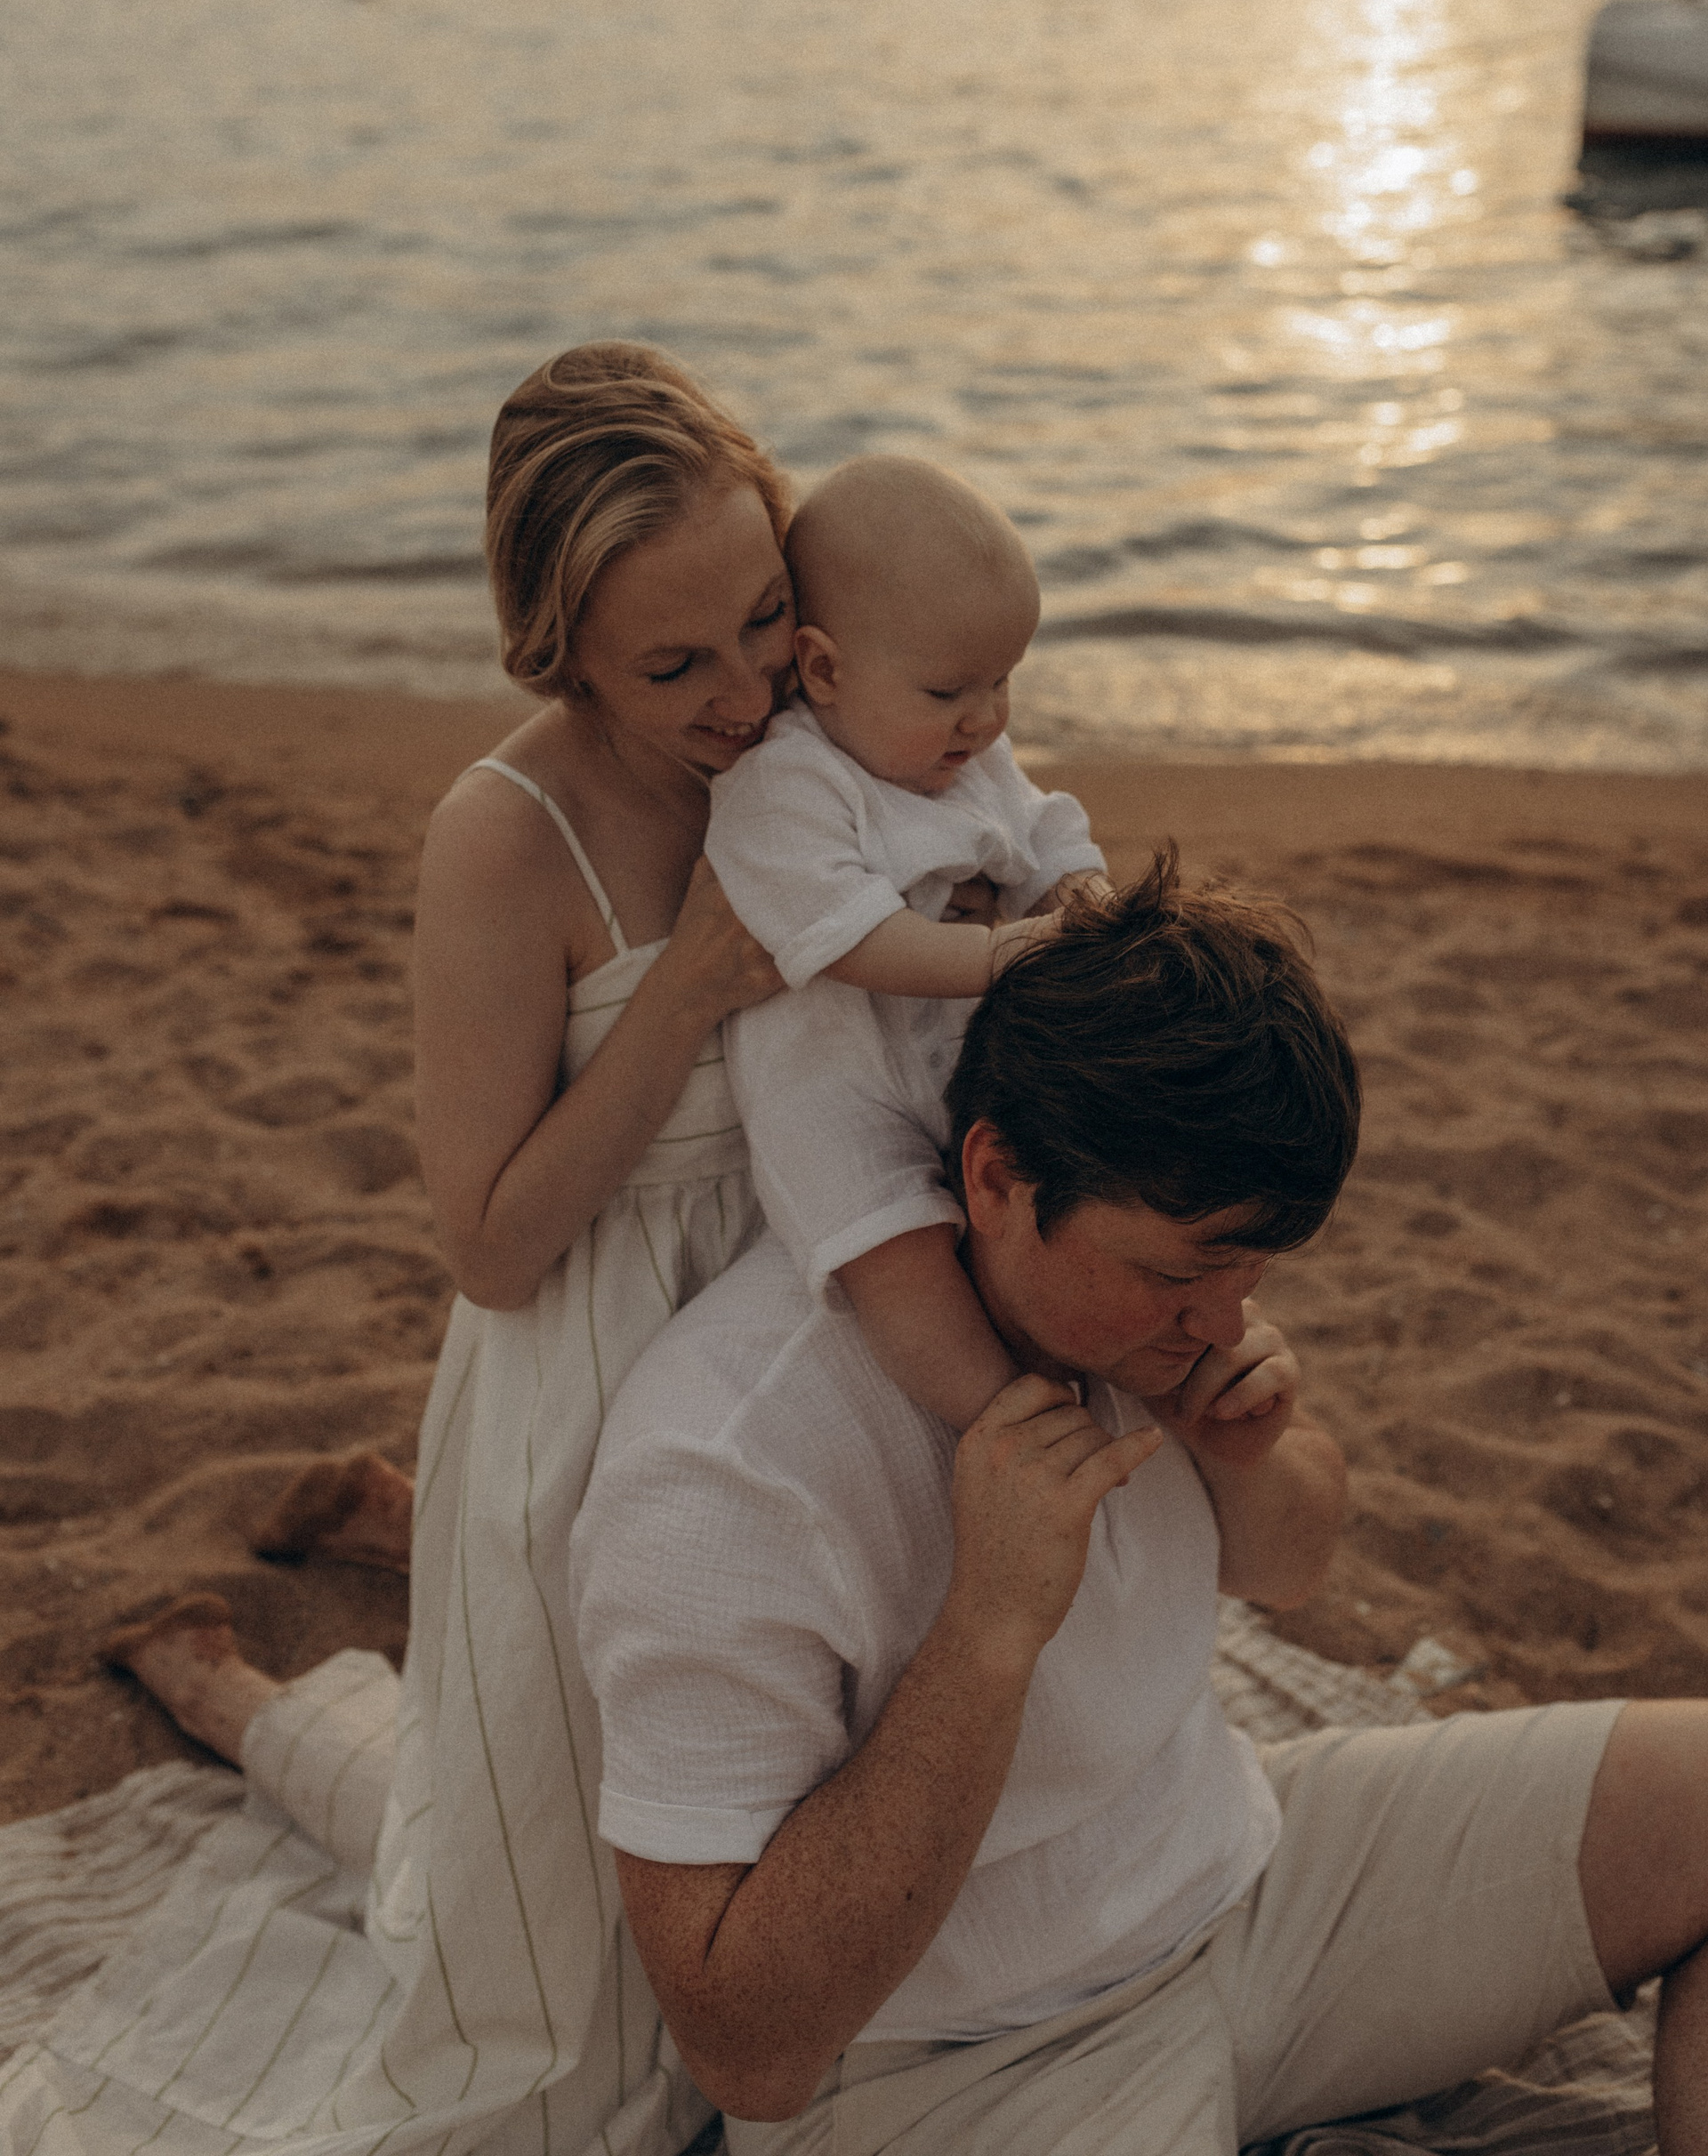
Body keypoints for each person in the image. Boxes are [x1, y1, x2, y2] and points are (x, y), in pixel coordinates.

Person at [571, 865, 1708, 2156]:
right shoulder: (723, 1466)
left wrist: (1250, 1454)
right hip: (963, 2058)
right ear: (995, 1177)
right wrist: (987, 1629)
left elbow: (1287, 1570)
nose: (1223, 1320)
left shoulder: (1154, 1299)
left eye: (1253, 1269)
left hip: (1256, 1884)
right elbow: (746, 2049)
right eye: (1179, 1275)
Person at [69, 341, 799, 2156]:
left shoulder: (814, 721)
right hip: (599, 1365)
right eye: (674, 667)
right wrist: (688, 991)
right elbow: (487, 1246)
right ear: (561, 658)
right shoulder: (504, 838)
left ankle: (390, 1534)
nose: (743, 696)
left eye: (766, 619)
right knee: (553, 1991)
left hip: (800, 1347)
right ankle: (222, 1686)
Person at [705, 454, 1108, 1430]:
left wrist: (1085, 899)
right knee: (892, 1247)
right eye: (949, 690)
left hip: (964, 1055)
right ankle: (999, 1420)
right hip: (836, 1084)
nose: (988, 716)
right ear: (825, 669)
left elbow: (1046, 828)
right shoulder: (785, 785)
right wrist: (1015, 952)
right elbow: (856, 942)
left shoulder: (966, 755)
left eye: (1003, 680)